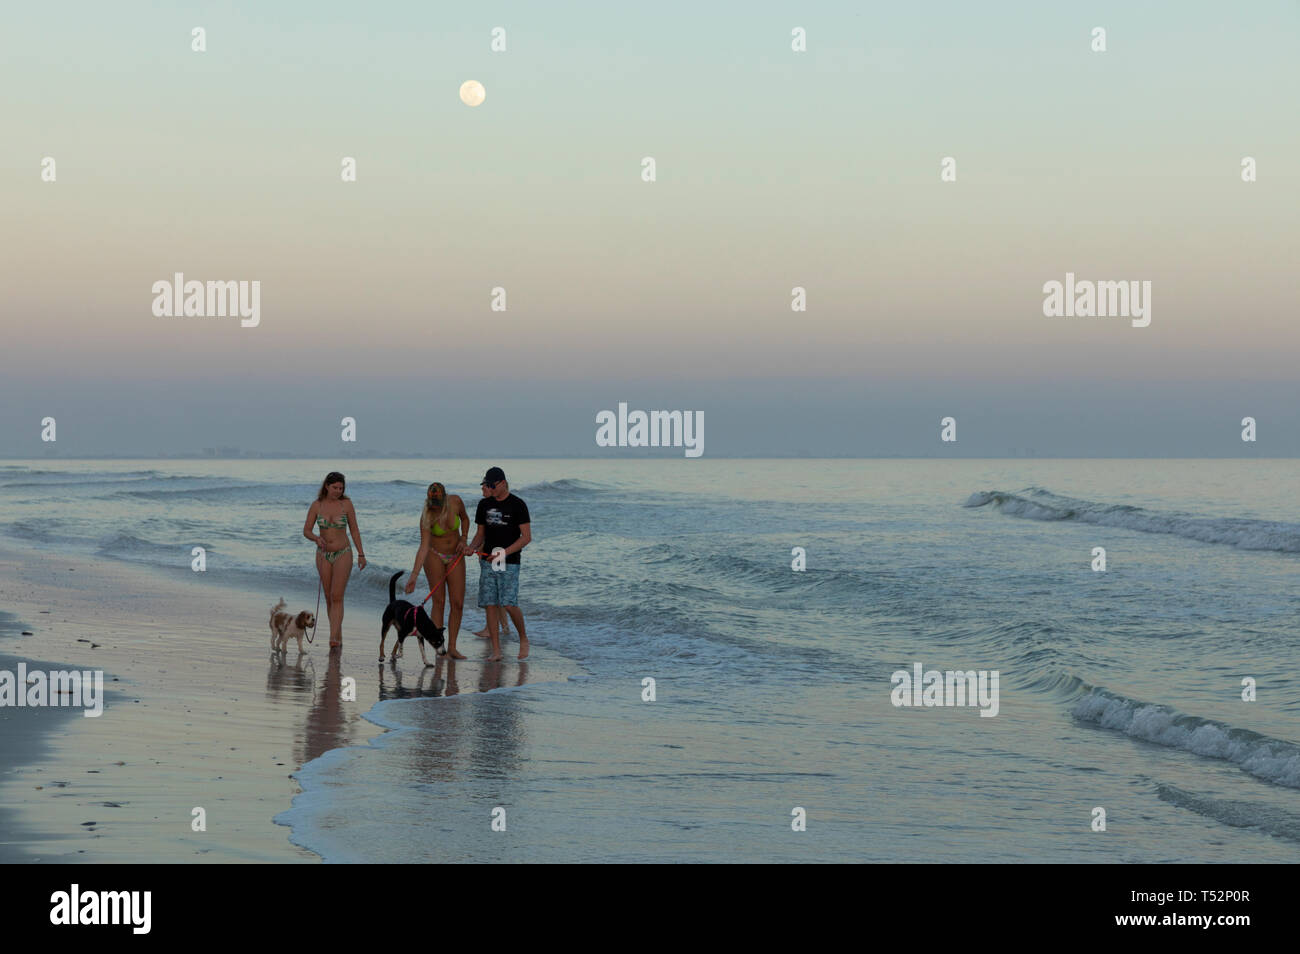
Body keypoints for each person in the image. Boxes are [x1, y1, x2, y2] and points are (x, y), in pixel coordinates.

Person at [465, 467, 531, 660]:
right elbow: (480, 534)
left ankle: (524, 639)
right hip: (488, 560)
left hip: (509, 561)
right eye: (487, 485)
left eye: (493, 485)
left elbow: (526, 537)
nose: (490, 489)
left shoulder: (518, 504)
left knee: (509, 604)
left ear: (502, 483)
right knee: (490, 604)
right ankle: (496, 651)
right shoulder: (483, 504)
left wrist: (504, 552)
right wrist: (471, 547)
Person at [405, 482, 471, 659]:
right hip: (434, 555)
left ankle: (452, 647)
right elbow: (424, 547)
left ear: (445, 498)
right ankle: (438, 647)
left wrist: (464, 539)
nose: (435, 507)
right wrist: (413, 575)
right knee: (439, 601)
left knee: (457, 603)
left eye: (438, 504)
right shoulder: (427, 515)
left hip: (455, 556)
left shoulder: (456, 502)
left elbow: (465, 519)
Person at [302, 471, 366, 651]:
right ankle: (337, 633)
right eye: (335, 487)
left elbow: (354, 530)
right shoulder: (317, 505)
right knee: (329, 596)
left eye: (341, 488)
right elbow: (306, 530)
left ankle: (333, 637)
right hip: (323, 554)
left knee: (337, 596)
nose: (338, 490)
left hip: (342, 553)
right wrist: (316, 538)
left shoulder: (346, 504)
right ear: (326, 486)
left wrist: (361, 554)